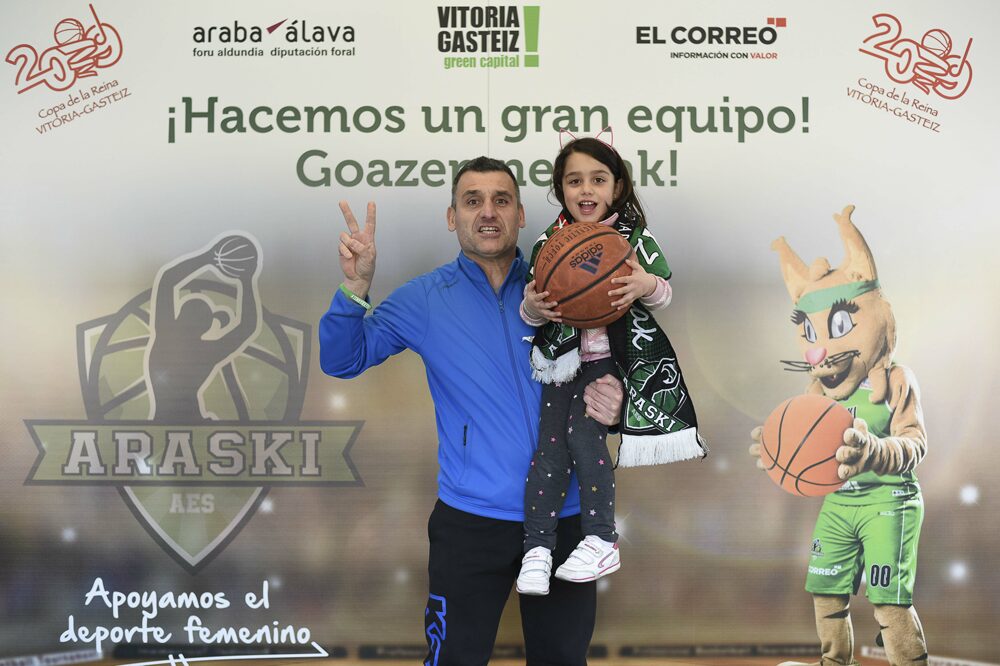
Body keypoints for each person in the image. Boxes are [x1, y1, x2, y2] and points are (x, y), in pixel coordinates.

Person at [318, 156, 625, 666]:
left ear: (521, 214)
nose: (488, 212)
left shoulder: (569, 283)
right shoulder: (424, 298)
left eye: (501, 200)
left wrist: (614, 409)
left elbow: (614, 367)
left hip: (565, 518)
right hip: (470, 523)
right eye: (473, 200)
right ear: (451, 216)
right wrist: (356, 287)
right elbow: (342, 359)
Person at [515, 136, 703, 596]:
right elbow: (529, 312)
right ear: (561, 189)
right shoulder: (548, 242)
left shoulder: (635, 238)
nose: (586, 190)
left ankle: (601, 538)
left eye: (598, 180)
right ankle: (537, 548)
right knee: (549, 450)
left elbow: (664, 294)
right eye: (574, 180)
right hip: (562, 362)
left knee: (583, 436)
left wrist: (645, 284)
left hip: (610, 363)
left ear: (616, 187)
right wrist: (534, 308)